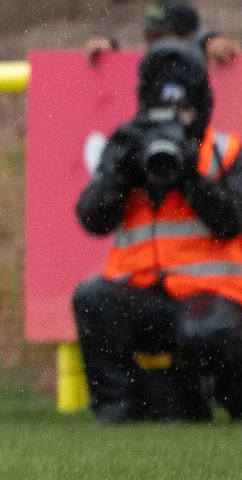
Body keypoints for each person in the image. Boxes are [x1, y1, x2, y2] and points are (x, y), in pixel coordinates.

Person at [74, 41, 242, 422]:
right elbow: (92, 218)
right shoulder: (129, 146)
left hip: (212, 298)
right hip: (143, 295)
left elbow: (231, 222)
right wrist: (119, 172)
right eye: (162, 108)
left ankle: (225, 398)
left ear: (201, 106)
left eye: (183, 109)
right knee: (92, 298)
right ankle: (119, 406)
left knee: (205, 330)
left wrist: (188, 176)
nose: (174, 118)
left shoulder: (225, 151)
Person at [85, 0, 242, 68]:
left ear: (187, 36)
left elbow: (201, 45)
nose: (154, 45)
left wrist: (208, 41)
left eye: (161, 38)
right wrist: (109, 51)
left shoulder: (197, 58)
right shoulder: (151, 66)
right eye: (150, 37)